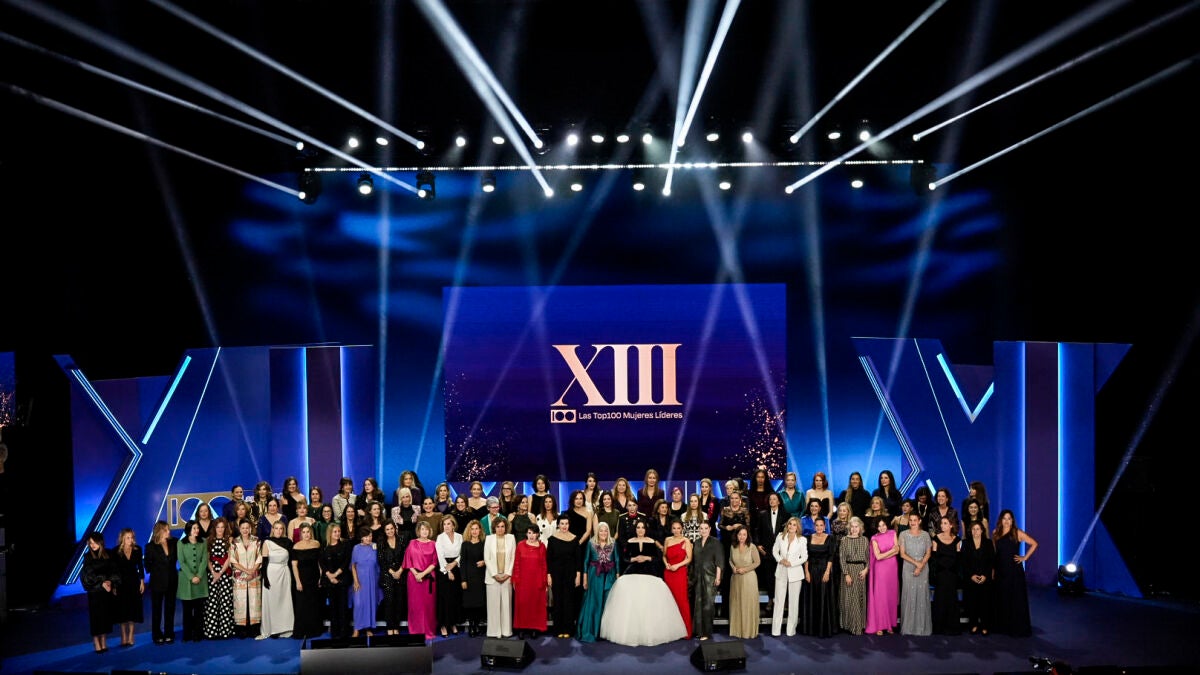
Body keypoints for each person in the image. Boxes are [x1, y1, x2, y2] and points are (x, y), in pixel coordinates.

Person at [600, 519, 687, 646]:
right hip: (632, 572)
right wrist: (634, 558)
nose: (640, 530)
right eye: (638, 527)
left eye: (642, 527)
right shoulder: (630, 541)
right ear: (635, 529)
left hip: (649, 573)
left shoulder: (652, 542)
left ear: (646, 529)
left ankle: (650, 633)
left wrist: (647, 558)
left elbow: (658, 558)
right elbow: (624, 558)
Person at [992, 509, 1037, 637]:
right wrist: (993, 570)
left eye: (1009, 518)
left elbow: (1034, 543)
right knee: (1002, 597)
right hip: (1000, 570)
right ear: (1001, 520)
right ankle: (1003, 626)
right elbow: (995, 553)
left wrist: (1024, 557)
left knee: (1015, 598)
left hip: (1014, 571)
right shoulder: (995, 533)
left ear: (1012, 521)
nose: (1006, 521)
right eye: (1004, 518)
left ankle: (1016, 627)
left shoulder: (1017, 532)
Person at [577, 520, 620, 643]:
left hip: (609, 575)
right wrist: (585, 578)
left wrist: (618, 576)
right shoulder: (591, 543)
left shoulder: (613, 543)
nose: (603, 533)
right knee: (595, 602)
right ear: (597, 532)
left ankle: (605, 632)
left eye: (606, 530)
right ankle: (592, 631)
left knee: (607, 602)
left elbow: (617, 560)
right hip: (594, 575)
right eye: (601, 531)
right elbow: (586, 561)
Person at [81, 531, 120, 653]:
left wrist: (110, 582)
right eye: (90, 543)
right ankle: (96, 641)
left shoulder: (109, 554)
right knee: (96, 617)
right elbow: (87, 575)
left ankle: (103, 640)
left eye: (94, 542)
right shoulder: (88, 557)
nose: (92, 545)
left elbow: (114, 570)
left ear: (100, 542)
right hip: (95, 592)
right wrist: (102, 582)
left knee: (105, 616)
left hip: (106, 591)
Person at [511, 520, 548, 639]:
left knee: (535, 605)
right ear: (526, 534)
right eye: (529, 533)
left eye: (534, 533)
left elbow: (544, 565)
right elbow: (516, 563)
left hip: (537, 581)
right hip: (522, 581)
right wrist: (515, 579)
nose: (532, 536)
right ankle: (521, 628)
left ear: (538, 534)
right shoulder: (520, 545)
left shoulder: (542, 547)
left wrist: (544, 581)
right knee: (522, 604)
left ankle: (534, 628)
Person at [801, 516, 837, 637]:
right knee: (811, 598)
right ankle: (811, 628)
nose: (819, 527)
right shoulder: (808, 538)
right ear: (814, 526)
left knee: (823, 598)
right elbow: (806, 556)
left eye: (821, 525)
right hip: (811, 571)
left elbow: (831, 556)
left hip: (824, 570)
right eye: (817, 525)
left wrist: (827, 572)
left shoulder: (830, 538)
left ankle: (823, 628)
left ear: (825, 526)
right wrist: (806, 572)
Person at [546, 515, 581, 638]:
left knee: (569, 601)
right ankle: (558, 629)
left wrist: (578, 575)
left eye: (566, 523)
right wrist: (549, 575)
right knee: (558, 600)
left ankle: (568, 629)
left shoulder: (575, 539)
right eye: (562, 524)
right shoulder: (552, 539)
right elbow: (549, 559)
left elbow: (578, 559)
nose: (564, 526)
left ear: (569, 525)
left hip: (570, 574)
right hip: (556, 574)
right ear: (558, 525)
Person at [771, 516, 807, 637]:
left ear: (798, 527)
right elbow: (774, 551)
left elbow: (804, 557)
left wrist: (791, 563)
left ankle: (791, 630)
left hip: (795, 573)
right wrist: (781, 560)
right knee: (779, 601)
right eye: (790, 524)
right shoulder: (780, 536)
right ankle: (776, 630)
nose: (791, 526)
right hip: (781, 571)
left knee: (793, 603)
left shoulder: (802, 540)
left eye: (794, 525)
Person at [259, 519, 294, 639]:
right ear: (272, 530)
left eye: (281, 529)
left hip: (284, 573)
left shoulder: (288, 542)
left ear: (283, 530)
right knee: (272, 601)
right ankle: (273, 629)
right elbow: (264, 562)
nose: (278, 531)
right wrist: (265, 578)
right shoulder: (267, 542)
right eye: (276, 528)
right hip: (271, 573)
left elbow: (291, 561)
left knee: (284, 601)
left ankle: (285, 627)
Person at [865, 515, 900, 636]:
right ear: (876, 527)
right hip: (880, 570)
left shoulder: (893, 533)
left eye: (883, 525)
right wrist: (892, 551)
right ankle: (880, 625)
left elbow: (898, 550)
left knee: (891, 596)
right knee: (881, 597)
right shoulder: (874, 538)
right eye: (879, 526)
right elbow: (878, 557)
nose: (882, 528)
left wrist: (890, 552)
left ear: (887, 524)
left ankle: (890, 625)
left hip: (892, 569)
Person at [405, 520, 440, 640]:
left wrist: (423, 574)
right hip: (414, 579)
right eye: (422, 529)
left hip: (429, 579)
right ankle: (416, 631)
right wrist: (416, 574)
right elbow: (408, 561)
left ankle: (428, 631)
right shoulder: (412, 543)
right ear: (418, 531)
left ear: (430, 531)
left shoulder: (434, 544)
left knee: (429, 606)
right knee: (415, 606)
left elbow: (434, 562)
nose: (424, 531)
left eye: (426, 529)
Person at [690, 520, 725, 640]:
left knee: (708, 605)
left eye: (706, 528)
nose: (703, 530)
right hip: (697, 577)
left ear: (710, 529)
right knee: (698, 604)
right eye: (701, 528)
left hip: (710, 577)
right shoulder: (696, 542)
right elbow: (694, 561)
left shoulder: (716, 543)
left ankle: (706, 632)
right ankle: (698, 631)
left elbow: (719, 561)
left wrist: (718, 577)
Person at [145, 520, 179, 645]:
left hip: (172, 581)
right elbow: (147, 566)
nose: (169, 531)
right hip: (157, 583)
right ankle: (157, 634)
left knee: (170, 608)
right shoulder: (150, 547)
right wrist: (159, 570)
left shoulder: (175, 542)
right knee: (157, 610)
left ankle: (169, 633)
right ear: (159, 531)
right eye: (165, 530)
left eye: (168, 529)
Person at [960, 520, 996, 635]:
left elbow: (991, 561)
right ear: (970, 531)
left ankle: (985, 626)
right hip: (971, 578)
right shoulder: (965, 543)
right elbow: (963, 562)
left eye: (978, 529)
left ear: (982, 531)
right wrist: (971, 575)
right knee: (972, 602)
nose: (975, 531)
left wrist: (985, 575)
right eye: (973, 529)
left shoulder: (988, 543)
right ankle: (973, 624)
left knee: (985, 603)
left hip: (985, 578)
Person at [899, 512, 932, 636]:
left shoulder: (925, 535)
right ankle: (908, 627)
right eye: (910, 520)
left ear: (919, 521)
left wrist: (921, 565)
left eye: (915, 520)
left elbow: (928, 553)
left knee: (922, 595)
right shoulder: (903, 534)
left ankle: (921, 627)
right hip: (908, 567)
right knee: (909, 595)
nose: (912, 522)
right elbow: (902, 554)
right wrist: (916, 563)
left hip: (923, 567)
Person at [483, 517, 516, 638]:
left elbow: (513, 557)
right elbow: (487, 558)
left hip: (507, 576)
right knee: (493, 606)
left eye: (502, 526)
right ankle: (494, 632)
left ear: (505, 527)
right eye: (498, 527)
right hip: (493, 577)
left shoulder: (511, 538)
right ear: (494, 528)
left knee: (506, 605)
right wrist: (494, 574)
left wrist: (508, 573)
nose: (500, 529)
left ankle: (507, 631)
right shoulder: (489, 539)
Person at [727, 525, 762, 639]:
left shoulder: (752, 547)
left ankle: (748, 631)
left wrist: (745, 569)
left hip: (749, 578)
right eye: (740, 534)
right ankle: (737, 631)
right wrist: (733, 567)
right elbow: (730, 560)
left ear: (747, 536)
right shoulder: (733, 547)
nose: (742, 537)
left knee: (747, 604)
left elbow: (757, 562)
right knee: (736, 604)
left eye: (744, 534)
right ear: (736, 535)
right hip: (736, 579)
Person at [290, 522, 324, 639]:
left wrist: (321, 577)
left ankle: (314, 630)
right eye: (304, 532)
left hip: (314, 578)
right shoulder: (296, 546)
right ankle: (301, 631)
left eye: (308, 532)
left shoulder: (317, 544)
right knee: (302, 606)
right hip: (302, 579)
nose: (306, 534)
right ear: (301, 534)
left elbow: (320, 563)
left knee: (314, 605)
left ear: (311, 532)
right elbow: (294, 566)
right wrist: (298, 582)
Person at [113, 527, 145, 647]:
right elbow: (114, 570)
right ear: (122, 538)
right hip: (121, 584)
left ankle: (131, 634)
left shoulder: (137, 549)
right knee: (123, 611)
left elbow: (140, 567)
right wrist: (114, 586)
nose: (130, 540)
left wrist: (142, 582)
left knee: (133, 610)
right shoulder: (115, 551)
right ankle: (123, 635)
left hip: (134, 582)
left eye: (131, 537)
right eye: (127, 538)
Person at [230, 518, 262, 639]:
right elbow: (233, 560)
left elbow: (259, 558)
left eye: (247, 528)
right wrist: (246, 571)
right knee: (241, 603)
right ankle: (241, 630)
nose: (245, 530)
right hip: (240, 578)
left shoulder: (256, 541)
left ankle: (254, 629)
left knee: (254, 602)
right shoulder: (234, 542)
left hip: (254, 576)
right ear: (239, 528)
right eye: (242, 528)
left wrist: (252, 571)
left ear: (250, 528)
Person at [178, 520, 209, 643]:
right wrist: (191, 577)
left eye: (197, 528)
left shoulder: (203, 542)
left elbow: (204, 560)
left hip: (200, 580)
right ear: (189, 530)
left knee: (199, 610)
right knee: (187, 610)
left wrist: (199, 576)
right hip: (186, 580)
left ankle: (198, 633)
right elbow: (181, 562)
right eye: (194, 528)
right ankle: (187, 634)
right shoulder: (181, 543)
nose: (197, 530)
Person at [203, 518, 234, 640]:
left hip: (225, 574)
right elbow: (207, 559)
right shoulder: (209, 540)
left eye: (222, 527)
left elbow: (229, 558)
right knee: (212, 602)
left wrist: (220, 573)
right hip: (212, 574)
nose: (220, 529)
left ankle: (225, 631)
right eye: (218, 527)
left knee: (225, 602)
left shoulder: (229, 540)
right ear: (214, 528)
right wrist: (213, 572)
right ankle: (212, 631)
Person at [930, 515, 962, 635]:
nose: (942, 525)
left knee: (952, 599)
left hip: (952, 574)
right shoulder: (936, 539)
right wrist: (936, 574)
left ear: (951, 525)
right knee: (940, 599)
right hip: (941, 574)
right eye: (941, 523)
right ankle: (939, 627)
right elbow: (934, 559)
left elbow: (959, 559)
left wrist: (956, 574)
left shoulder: (957, 540)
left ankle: (952, 627)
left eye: (945, 523)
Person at [319, 522, 351, 639]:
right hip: (329, 581)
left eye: (339, 531)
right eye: (335, 532)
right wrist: (329, 576)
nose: (337, 534)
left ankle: (344, 632)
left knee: (343, 607)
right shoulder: (324, 545)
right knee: (333, 607)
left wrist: (336, 575)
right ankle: (335, 632)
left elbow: (346, 561)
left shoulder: (345, 544)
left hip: (342, 579)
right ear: (330, 533)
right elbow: (322, 562)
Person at [662, 519, 693, 639]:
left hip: (680, 572)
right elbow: (664, 556)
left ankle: (686, 631)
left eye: (678, 528)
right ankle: (672, 631)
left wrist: (677, 565)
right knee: (669, 601)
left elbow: (689, 558)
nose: (676, 530)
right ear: (671, 529)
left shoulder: (686, 541)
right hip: (668, 573)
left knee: (682, 600)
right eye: (674, 528)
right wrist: (666, 564)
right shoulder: (667, 540)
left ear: (682, 529)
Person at [838, 516, 869, 635]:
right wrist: (846, 574)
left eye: (857, 527)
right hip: (848, 570)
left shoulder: (865, 540)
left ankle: (858, 625)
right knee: (848, 598)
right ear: (849, 528)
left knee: (858, 598)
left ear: (860, 528)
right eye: (852, 527)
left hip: (861, 571)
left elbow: (868, 557)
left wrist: (866, 570)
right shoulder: (844, 540)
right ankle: (849, 625)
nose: (854, 529)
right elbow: (842, 559)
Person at [756, 491, 786, 610]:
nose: (772, 501)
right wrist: (758, 545)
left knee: (781, 577)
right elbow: (757, 530)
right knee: (769, 577)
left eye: (774, 499)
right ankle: (770, 599)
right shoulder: (762, 514)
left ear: (779, 501)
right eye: (770, 499)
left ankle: (782, 601)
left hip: (781, 551)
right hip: (767, 550)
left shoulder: (785, 515)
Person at [434, 515, 464, 637]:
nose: (446, 526)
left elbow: (462, 553)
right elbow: (440, 556)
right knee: (445, 599)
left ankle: (453, 623)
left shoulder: (459, 536)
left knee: (455, 598)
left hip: (456, 567)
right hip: (444, 570)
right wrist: (448, 571)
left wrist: (455, 563)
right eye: (444, 524)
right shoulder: (440, 538)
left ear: (453, 525)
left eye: (448, 524)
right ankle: (443, 625)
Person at [377, 520, 407, 635]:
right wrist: (392, 572)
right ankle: (390, 627)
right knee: (389, 603)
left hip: (401, 575)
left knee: (399, 603)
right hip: (387, 576)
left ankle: (396, 627)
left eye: (391, 528)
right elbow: (381, 561)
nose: (390, 531)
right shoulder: (381, 543)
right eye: (387, 529)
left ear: (395, 528)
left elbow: (406, 557)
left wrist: (399, 571)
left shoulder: (402, 540)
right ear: (384, 531)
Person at [349, 526, 380, 638]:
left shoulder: (375, 546)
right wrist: (356, 581)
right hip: (360, 581)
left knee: (370, 604)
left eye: (370, 536)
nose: (369, 538)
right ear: (361, 537)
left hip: (373, 580)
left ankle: (368, 628)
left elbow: (379, 563)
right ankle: (356, 628)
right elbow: (353, 566)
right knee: (358, 605)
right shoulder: (356, 548)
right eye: (366, 536)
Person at [459, 520, 487, 637]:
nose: (474, 531)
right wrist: (463, 580)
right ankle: (471, 626)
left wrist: (484, 562)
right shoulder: (465, 544)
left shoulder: (484, 544)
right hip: (469, 578)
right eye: (472, 529)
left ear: (480, 530)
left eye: (476, 529)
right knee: (469, 603)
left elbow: (489, 558)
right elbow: (462, 563)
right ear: (469, 531)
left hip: (480, 577)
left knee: (479, 603)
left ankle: (477, 625)